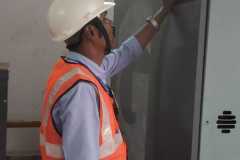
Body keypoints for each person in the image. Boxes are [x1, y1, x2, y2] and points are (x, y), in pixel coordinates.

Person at [40, 0, 178, 159]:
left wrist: (162, 12)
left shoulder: (76, 68)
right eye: (104, 18)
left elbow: (126, 52)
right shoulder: (82, 91)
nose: (110, 23)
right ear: (90, 31)